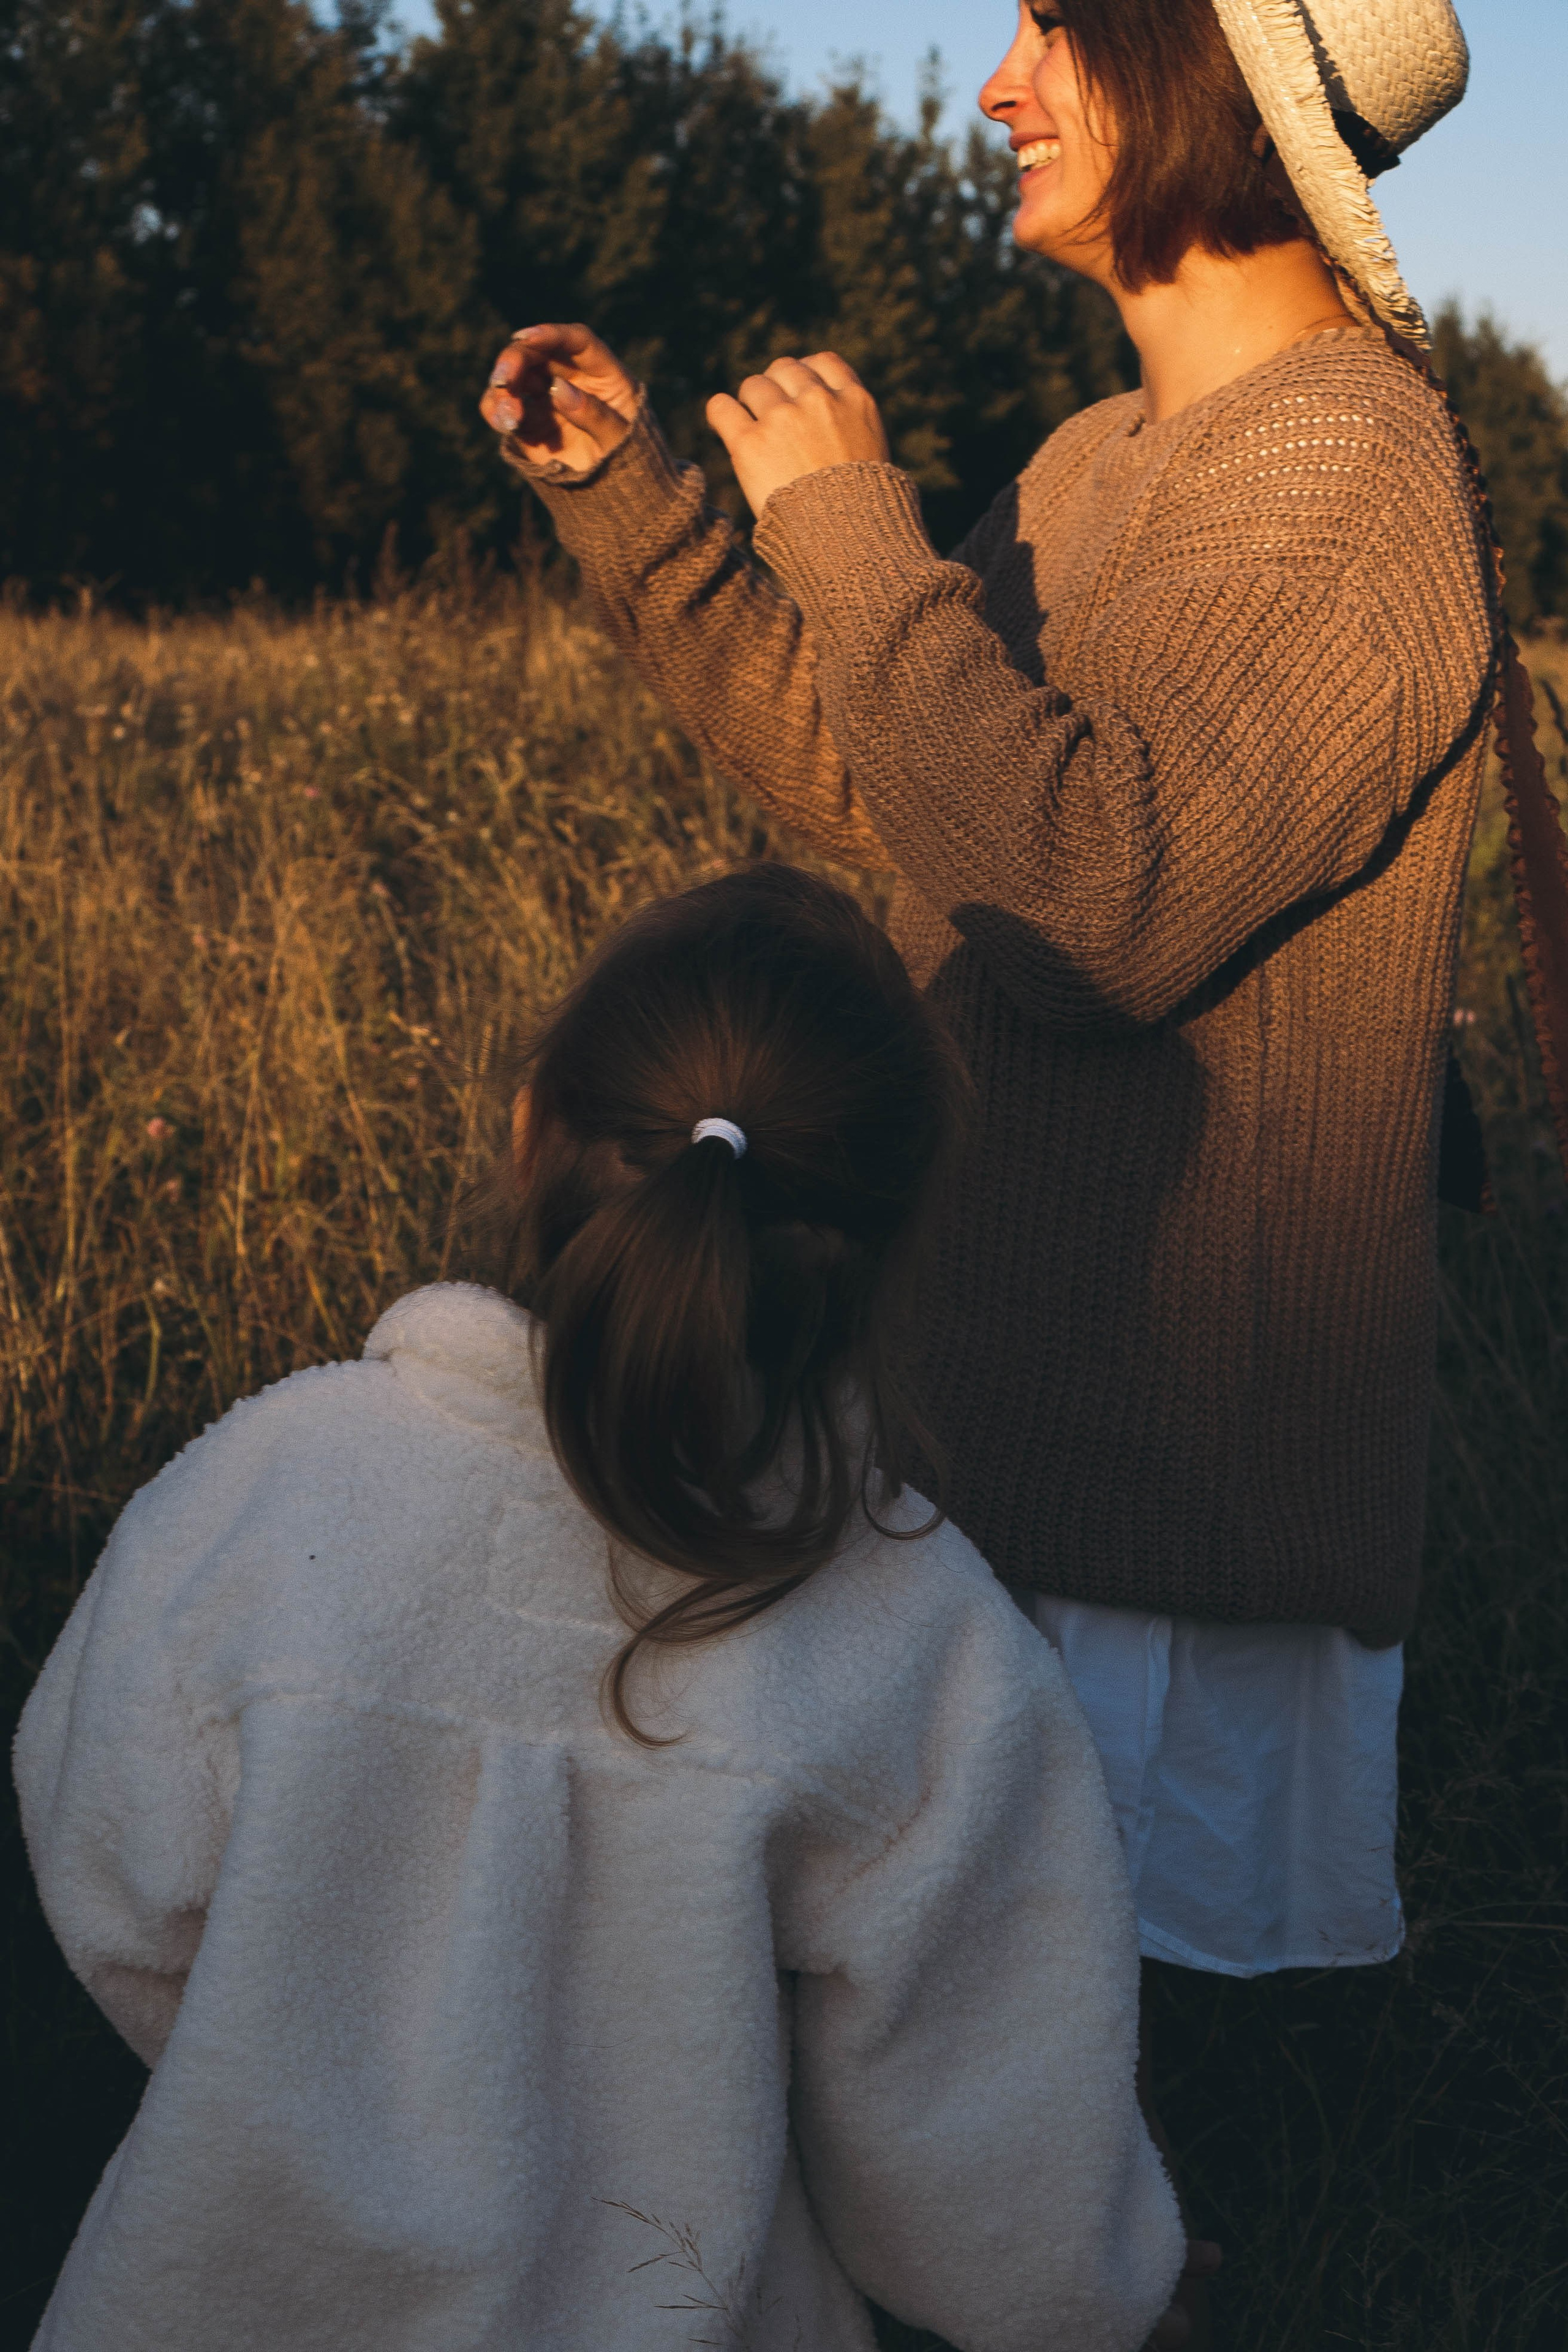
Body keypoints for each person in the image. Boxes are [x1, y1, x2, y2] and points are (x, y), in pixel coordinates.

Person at [480, 1, 1494, 2337]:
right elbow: (912, 795)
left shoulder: (1353, 463)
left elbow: (1098, 903)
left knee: (1096, 2164)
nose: (994, 86)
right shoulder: (1096, 454)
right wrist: (652, 509)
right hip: (1002, 1432)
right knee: (936, 2131)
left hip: (1166, 1491)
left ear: (1200, 69)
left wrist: (850, 518)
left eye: (1056, 26)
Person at [16, 865, 1186, 2352]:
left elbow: (117, 1888)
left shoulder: (265, 1489)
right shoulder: (924, 1638)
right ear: (885, 1244)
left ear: (530, 1130)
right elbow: (983, 2167)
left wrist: (293, 2081)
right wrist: (1111, 2297)